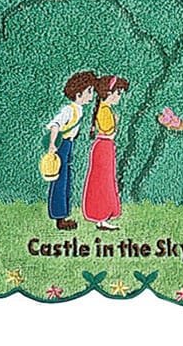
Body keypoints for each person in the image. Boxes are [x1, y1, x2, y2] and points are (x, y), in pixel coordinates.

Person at [45, 71, 96, 230]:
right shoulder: (69, 110)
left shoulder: (78, 109)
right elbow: (55, 125)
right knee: (60, 179)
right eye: (89, 91)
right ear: (78, 93)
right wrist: (52, 144)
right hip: (61, 145)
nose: (91, 94)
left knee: (66, 179)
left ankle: (63, 214)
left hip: (68, 145)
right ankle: (59, 216)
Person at [82, 74, 129, 230]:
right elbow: (109, 131)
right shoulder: (105, 111)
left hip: (105, 147)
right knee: (102, 180)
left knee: (105, 179)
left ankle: (102, 217)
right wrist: (116, 122)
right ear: (108, 93)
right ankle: (100, 215)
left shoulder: (104, 109)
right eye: (118, 93)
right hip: (104, 146)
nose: (119, 97)